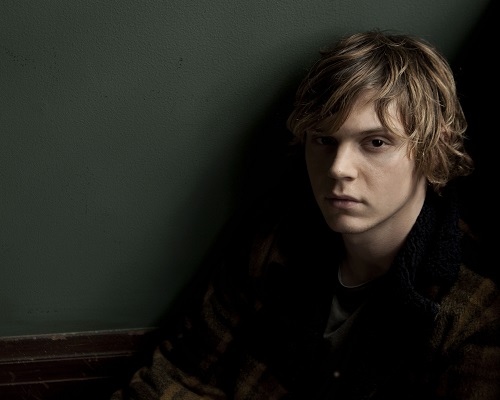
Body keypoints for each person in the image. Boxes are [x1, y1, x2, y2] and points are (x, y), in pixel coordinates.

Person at [111, 29, 500, 399]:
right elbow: (180, 372)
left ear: (435, 150)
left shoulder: (476, 304)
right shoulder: (276, 236)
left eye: (376, 142)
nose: (338, 168)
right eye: (324, 139)